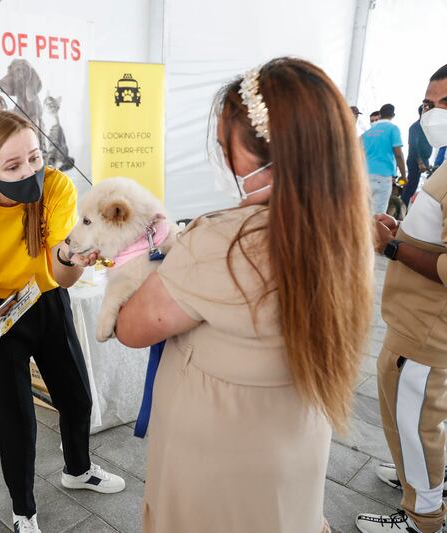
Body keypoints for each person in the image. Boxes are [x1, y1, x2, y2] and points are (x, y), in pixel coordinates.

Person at [115, 58, 374, 532]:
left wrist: (134, 263)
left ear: (268, 153)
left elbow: (132, 327)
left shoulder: (224, 241)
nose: (226, 163)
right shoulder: (347, 231)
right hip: (294, 446)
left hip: (217, 460)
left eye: (225, 149)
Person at [0, 111, 125, 533]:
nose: (30, 171)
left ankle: (77, 470)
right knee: (17, 419)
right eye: (12, 166)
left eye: (34, 157)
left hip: (46, 302)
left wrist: (69, 257)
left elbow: (61, 267)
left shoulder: (55, 187)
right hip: (0, 314)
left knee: (77, 397)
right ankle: (23, 510)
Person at [356, 64, 447, 533]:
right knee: (410, 417)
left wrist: (389, 246)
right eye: (430, 104)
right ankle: (417, 475)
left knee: (416, 421)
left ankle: (423, 515)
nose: (433, 114)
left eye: (445, 103)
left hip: (426, 329)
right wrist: (402, 229)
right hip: (417, 320)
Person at [362, 103, 406, 214]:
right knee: (378, 216)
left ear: (380, 115)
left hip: (364, 176)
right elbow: (398, 154)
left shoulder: (367, 133)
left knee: (362, 212)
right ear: (393, 115)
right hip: (383, 177)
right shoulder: (393, 129)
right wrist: (403, 175)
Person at [402, 105, 433, 206]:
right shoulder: (415, 127)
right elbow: (413, 146)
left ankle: (403, 208)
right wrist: (420, 163)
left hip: (423, 160)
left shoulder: (425, 127)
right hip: (415, 161)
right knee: (410, 188)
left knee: (413, 187)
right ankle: (401, 210)